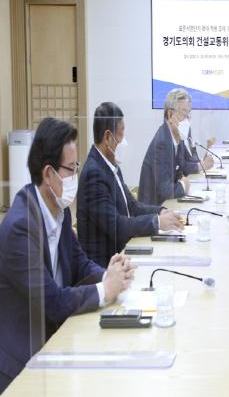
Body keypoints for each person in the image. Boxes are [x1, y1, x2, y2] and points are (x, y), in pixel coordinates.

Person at [0, 117, 135, 393]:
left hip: (54, 339)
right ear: (49, 174)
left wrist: (109, 275)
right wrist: (105, 290)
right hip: (21, 363)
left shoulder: (58, 211)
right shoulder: (20, 227)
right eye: (71, 169)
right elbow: (53, 301)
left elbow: (79, 263)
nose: (76, 175)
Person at [77, 102, 184, 267]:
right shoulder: (94, 173)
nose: (124, 140)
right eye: (122, 132)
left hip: (124, 250)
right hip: (106, 265)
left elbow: (132, 206)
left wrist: (161, 211)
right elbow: (116, 225)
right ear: (107, 137)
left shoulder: (110, 164)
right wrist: (157, 222)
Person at [138, 88, 213, 205]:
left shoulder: (175, 137)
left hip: (168, 203)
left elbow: (181, 170)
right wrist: (183, 185)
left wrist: (183, 182)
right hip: (155, 209)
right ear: (170, 114)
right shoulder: (162, 143)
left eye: (188, 114)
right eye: (183, 113)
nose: (187, 120)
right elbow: (165, 190)